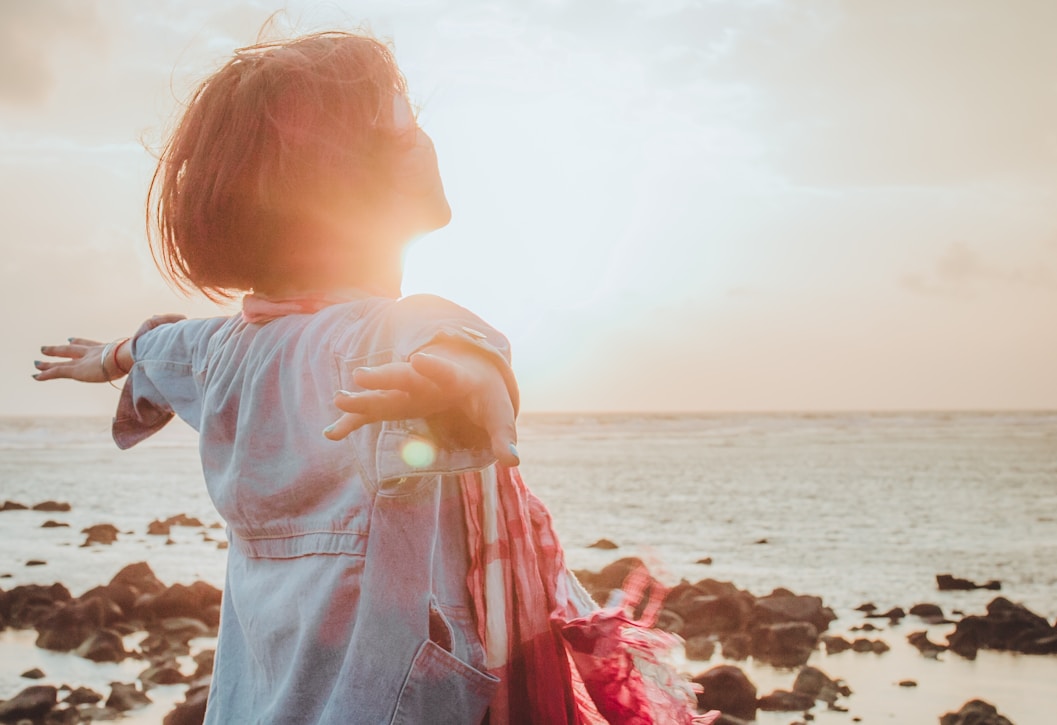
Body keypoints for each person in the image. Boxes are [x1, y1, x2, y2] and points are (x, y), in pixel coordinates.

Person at [34, 31, 711, 725]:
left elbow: (158, 349)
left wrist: (112, 356)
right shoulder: (387, 333)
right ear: (338, 180)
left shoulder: (221, 348)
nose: (424, 139)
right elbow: (460, 348)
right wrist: (456, 382)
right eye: (404, 126)